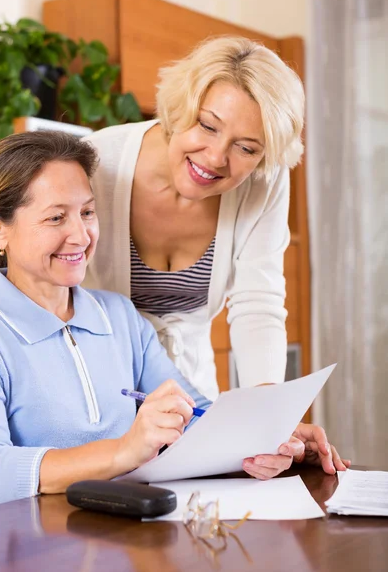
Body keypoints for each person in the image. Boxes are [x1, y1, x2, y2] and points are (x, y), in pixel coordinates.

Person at [0, 131, 347, 515]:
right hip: (0, 547)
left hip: (104, 536)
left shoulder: (118, 316)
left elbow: (196, 415)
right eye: (56, 218)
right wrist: (124, 450)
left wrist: (269, 435)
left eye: (87, 212)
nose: (80, 236)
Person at [83, 36, 304, 400]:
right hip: (99, 392)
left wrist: (265, 415)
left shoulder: (264, 181)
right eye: (207, 125)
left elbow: (257, 303)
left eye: (246, 147)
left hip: (194, 397)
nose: (216, 157)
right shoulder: (97, 162)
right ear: (181, 107)